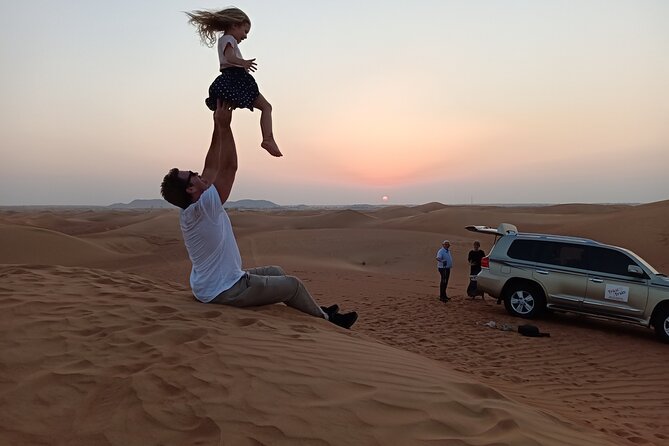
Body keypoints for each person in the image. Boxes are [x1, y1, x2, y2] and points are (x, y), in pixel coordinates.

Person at [160, 100, 357, 329]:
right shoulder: (205, 207)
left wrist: (217, 125)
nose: (198, 173)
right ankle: (329, 322)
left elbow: (211, 166)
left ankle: (316, 308)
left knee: (276, 272)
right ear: (191, 189)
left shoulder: (193, 209)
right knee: (292, 285)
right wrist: (226, 128)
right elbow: (228, 168)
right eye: (193, 175)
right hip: (225, 290)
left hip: (212, 285)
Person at [186, 7, 282, 157]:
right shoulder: (228, 39)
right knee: (266, 107)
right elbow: (229, 56)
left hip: (232, 79)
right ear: (234, 25)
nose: (245, 36)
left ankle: (220, 147)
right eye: (245, 31)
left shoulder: (226, 39)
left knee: (225, 115)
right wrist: (242, 62)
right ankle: (267, 139)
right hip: (235, 79)